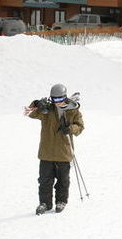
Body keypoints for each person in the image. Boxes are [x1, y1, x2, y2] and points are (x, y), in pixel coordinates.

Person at [25, 83, 84, 215]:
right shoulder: (47, 110)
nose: (56, 102)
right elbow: (29, 113)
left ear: (64, 97)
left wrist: (70, 129)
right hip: (46, 152)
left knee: (63, 180)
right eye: (54, 99)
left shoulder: (73, 110)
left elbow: (80, 127)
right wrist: (37, 103)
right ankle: (45, 203)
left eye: (59, 99)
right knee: (45, 180)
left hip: (63, 151)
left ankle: (61, 201)